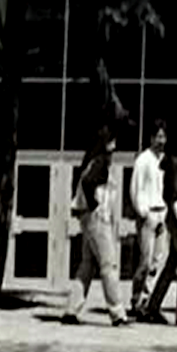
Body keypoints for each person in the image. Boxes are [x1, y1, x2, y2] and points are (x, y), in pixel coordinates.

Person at [61, 124, 128, 326]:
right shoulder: (100, 162)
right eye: (113, 141)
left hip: (88, 219)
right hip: (98, 218)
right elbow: (90, 184)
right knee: (108, 264)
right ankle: (117, 312)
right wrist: (95, 205)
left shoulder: (90, 160)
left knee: (87, 266)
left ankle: (71, 309)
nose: (115, 146)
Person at [141, 125, 177, 326]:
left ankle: (152, 307)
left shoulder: (176, 161)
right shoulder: (175, 164)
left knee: (172, 264)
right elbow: (173, 198)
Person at [128, 121, 169, 303]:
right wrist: (142, 211)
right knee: (145, 261)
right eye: (158, 137)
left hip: (162, 212)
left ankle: (147, 299)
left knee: (157, 261)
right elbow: (135, 188)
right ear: (151, 138)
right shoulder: (143, 159)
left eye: (164, 137)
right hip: (148, 214)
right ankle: (136, 297)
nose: (161, 141)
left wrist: (166, 210)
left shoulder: (165, 160)